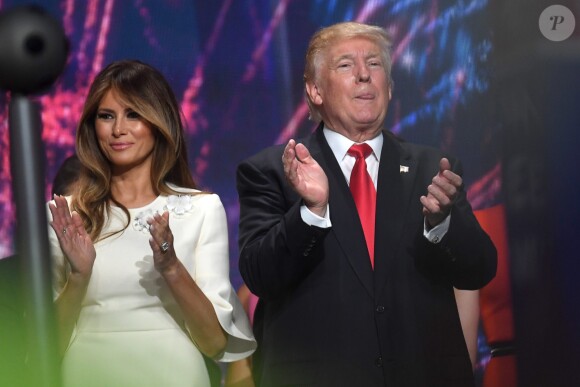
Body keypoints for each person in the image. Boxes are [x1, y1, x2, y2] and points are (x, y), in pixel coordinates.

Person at [236, 22, 497, 386]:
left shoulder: (433, 168)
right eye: (345, 65)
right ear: (314, 90)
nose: (363, 75)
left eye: (374, 64)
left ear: (389, 87)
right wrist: (309, 214)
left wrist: (442, 224)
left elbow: (479, 269)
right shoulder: (274, 170)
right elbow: (260, 276)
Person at [48, 59, 256, 387]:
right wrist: (79, 276)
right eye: (106, 116)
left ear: (159, 123)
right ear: (93, 125)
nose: (118, 129)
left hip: (175, 374)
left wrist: (171, 266)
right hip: (88, 373)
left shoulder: (201, 209)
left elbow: (215, 344)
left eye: (134, 114)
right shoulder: (67, 214)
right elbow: (47, 347)